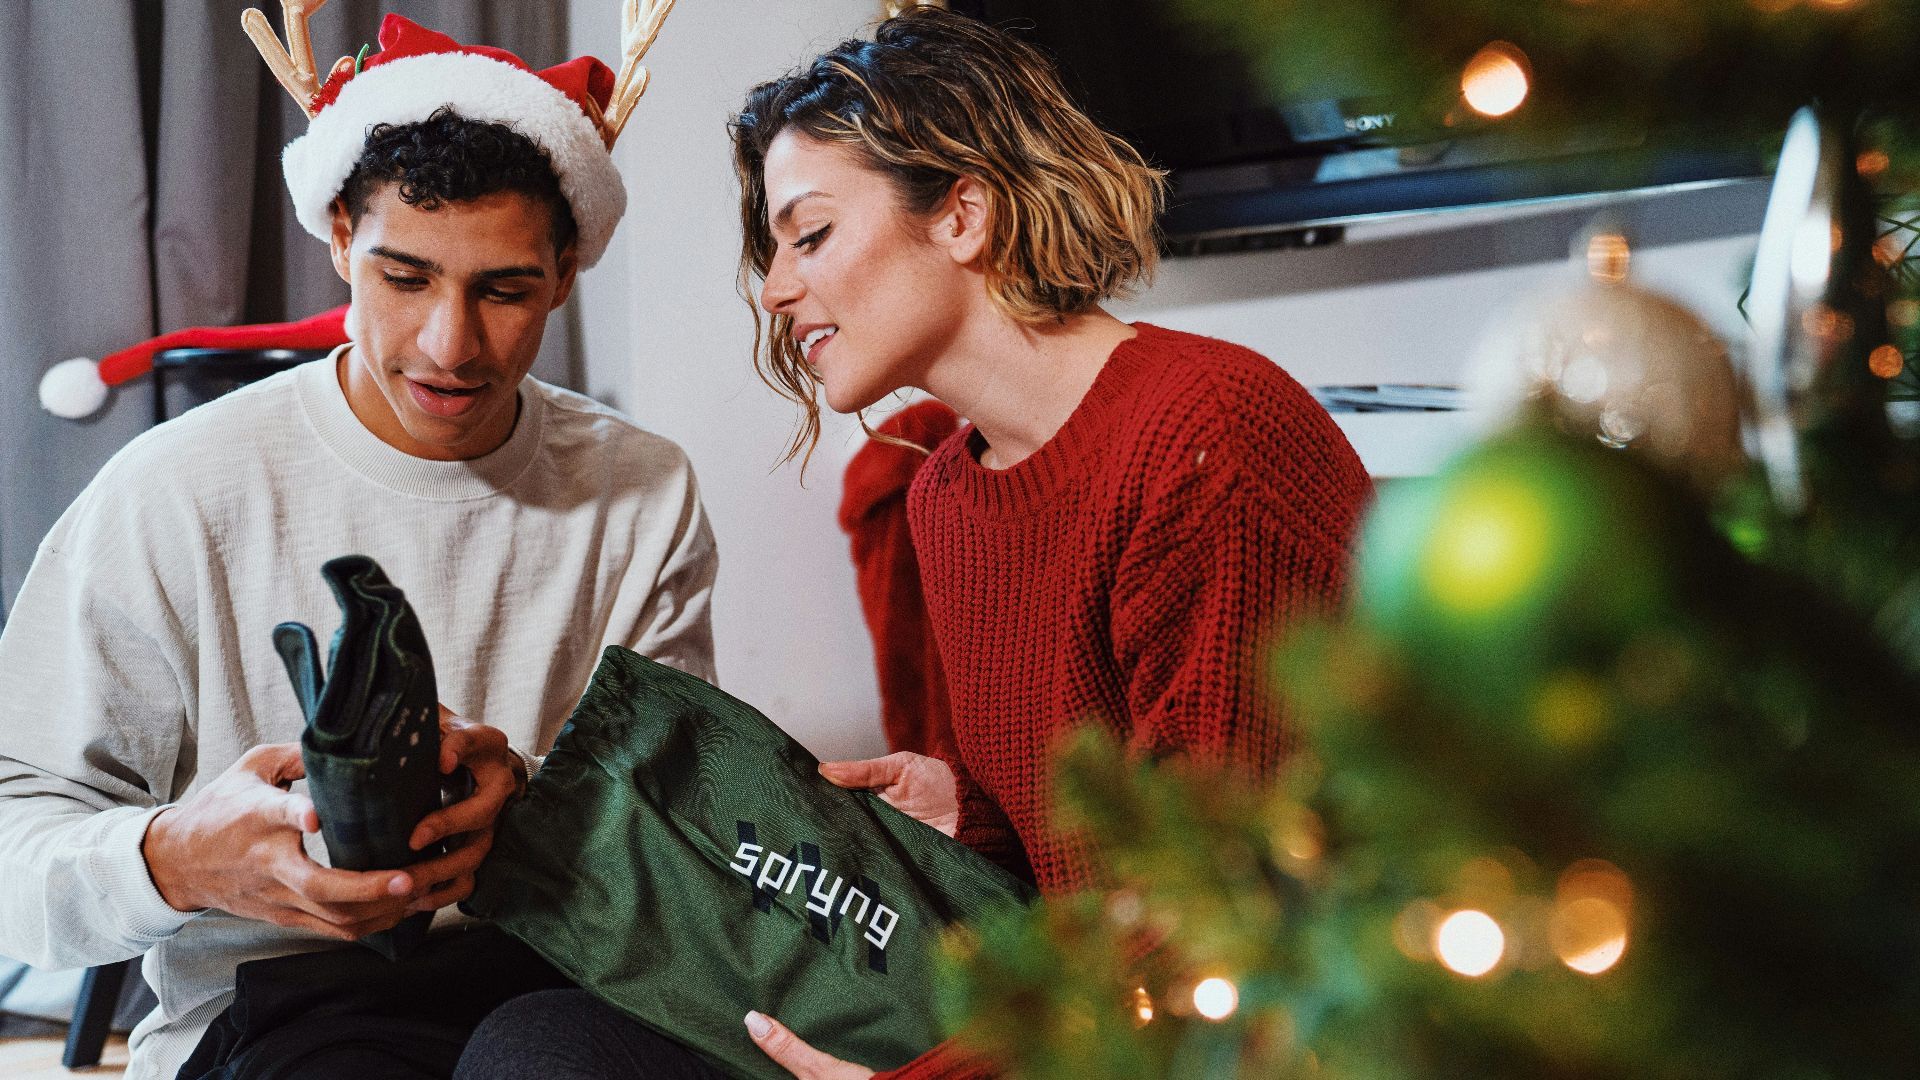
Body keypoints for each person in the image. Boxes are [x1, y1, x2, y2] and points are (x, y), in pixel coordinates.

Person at [455, 8, 1371, 1080]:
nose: (774, 289)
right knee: (538, 1043)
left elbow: (1230, 911)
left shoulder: (1208, 439)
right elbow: (1060, 863)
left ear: (964, 216)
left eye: (810, 235)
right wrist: (966, 814)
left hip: (1214, 1039)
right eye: (771, 250)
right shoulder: (943, 493)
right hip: (1060, 1001)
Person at [0, 11, 711, 1080]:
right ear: (338, 238)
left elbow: (684, 843)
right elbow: (14, 854)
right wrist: (180, 861)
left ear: (567, 273)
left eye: (504, 290)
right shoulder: (173, 491)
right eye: (405, 277)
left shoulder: (641, 490)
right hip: (274, 1015)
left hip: (556, 988)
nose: (449, 346)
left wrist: (523, 813)